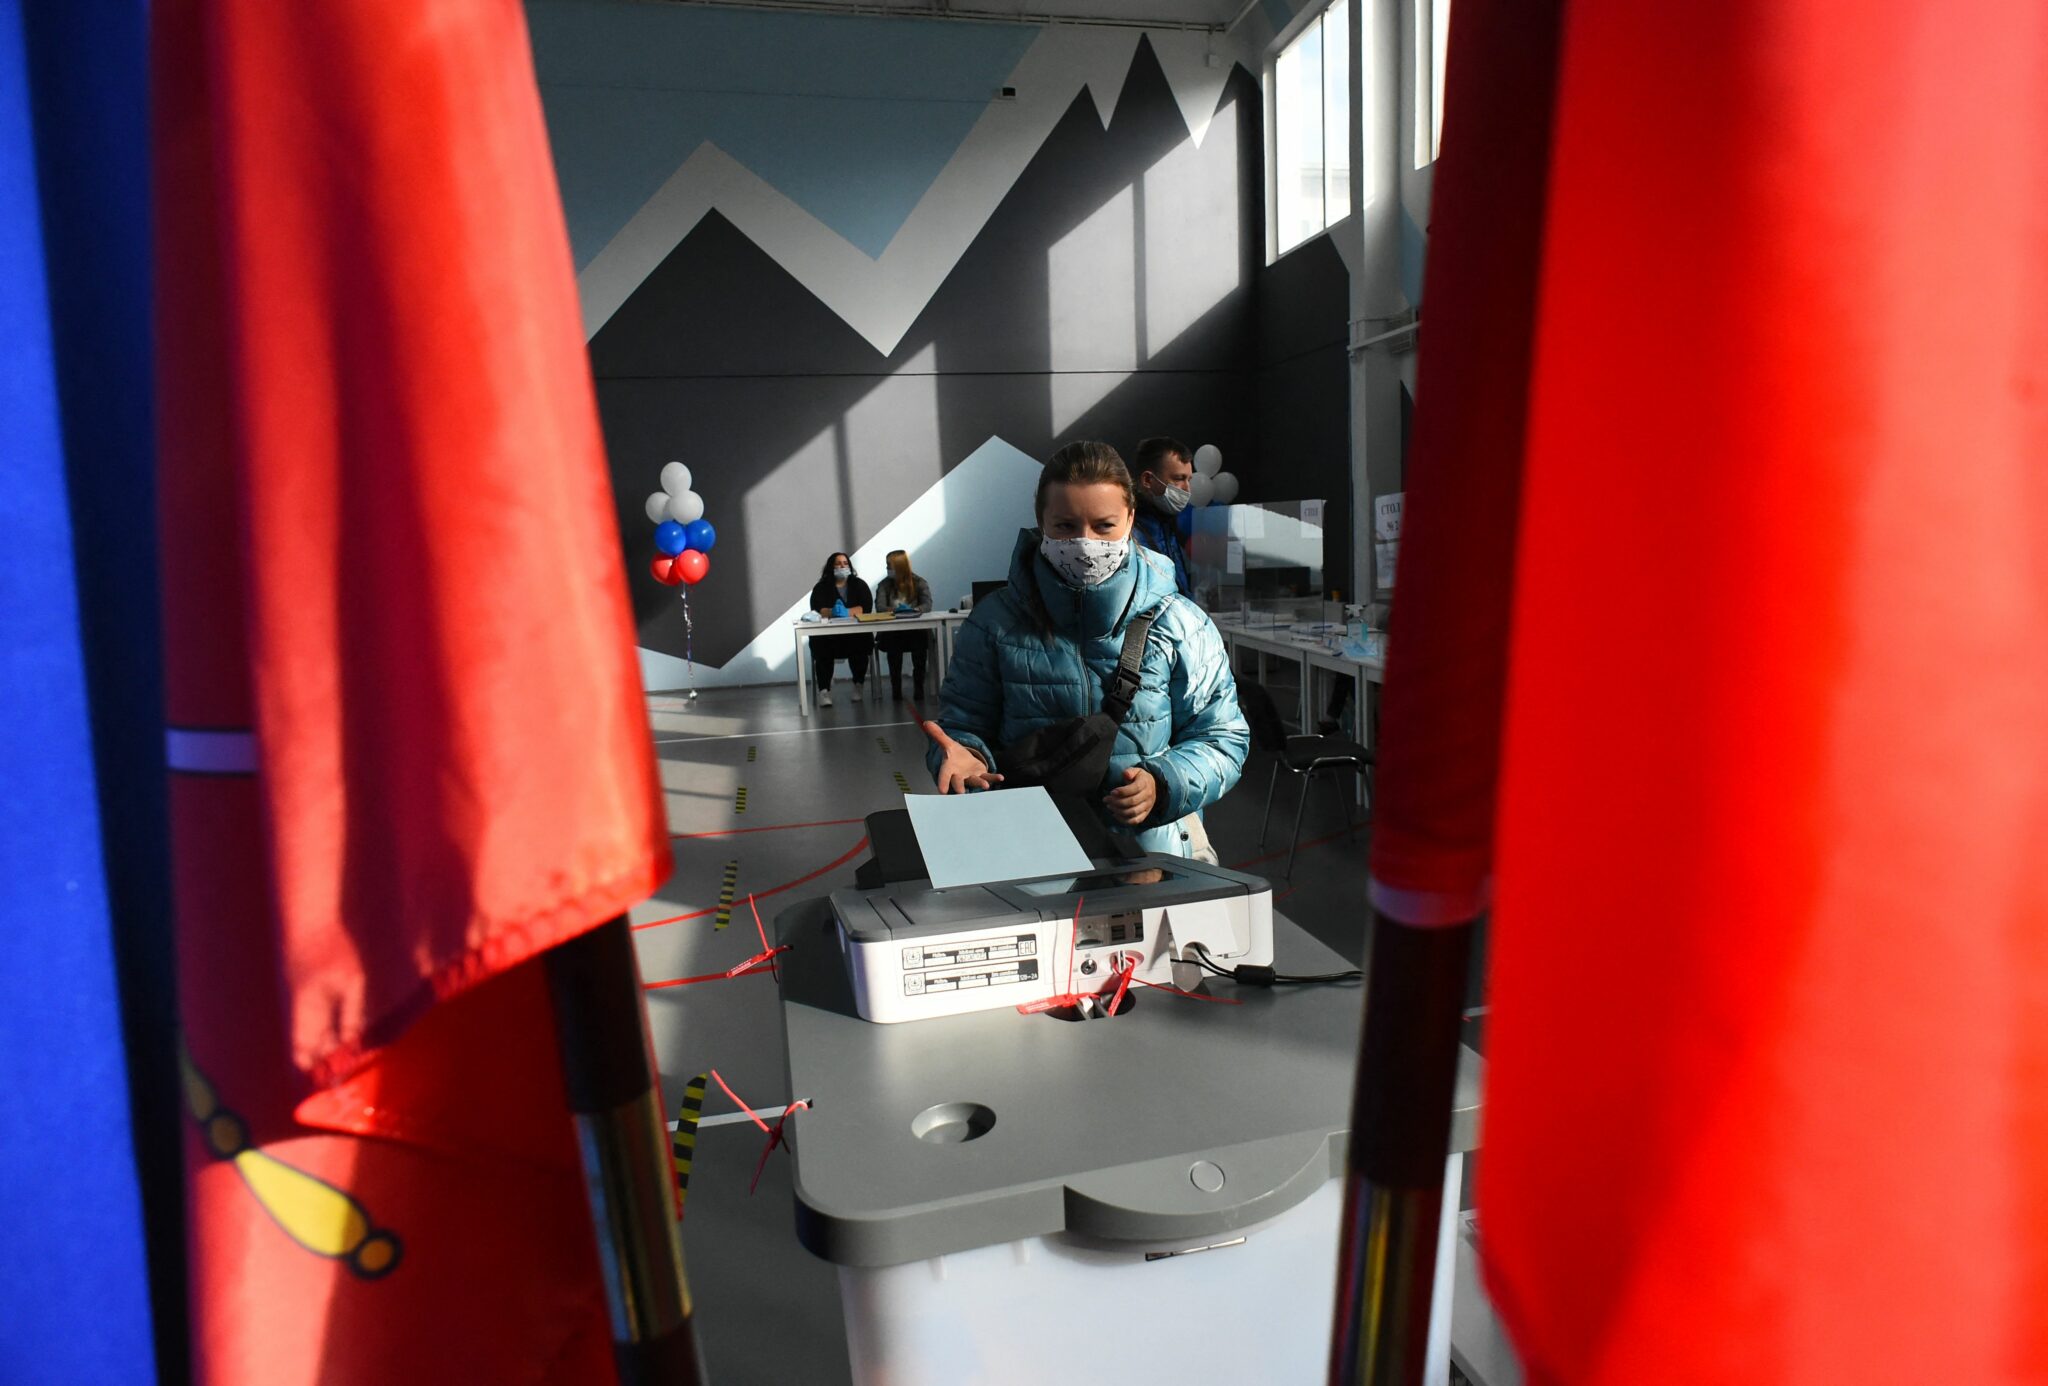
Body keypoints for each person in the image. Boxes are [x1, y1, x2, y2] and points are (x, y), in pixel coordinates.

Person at [923, 441, 1247, 859]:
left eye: (1104, 525)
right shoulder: (994, 623)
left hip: (1152, 857)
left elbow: (1222, 736)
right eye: (1065, 526)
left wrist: (1163, 782)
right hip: (1031, 852)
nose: (1085, 542)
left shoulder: (1181, 623)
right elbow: (962, 725)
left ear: (1130, 518)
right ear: (1041, 522)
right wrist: (964, 757)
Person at [1130, 435, 1196, 599]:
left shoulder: (1169, 524)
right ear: (1147, 480)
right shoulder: (1125, 531)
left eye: (1189, 479)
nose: (1187, 489)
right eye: (1178, 478)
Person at [808, 551, 873, 706]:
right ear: (831, 567)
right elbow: (818, 609)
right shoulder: (821, 587)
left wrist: (844, 612)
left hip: (854, 636)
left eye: (845, 563)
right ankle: (824, 691)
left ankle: (858, 684)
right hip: (830, 638)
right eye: (838, 563)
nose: (842, 566)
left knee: (861, 642)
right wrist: (833, 611)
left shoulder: (859, 585)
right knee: (820, 645)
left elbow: (865, 608)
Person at [872, 548, 934, 702]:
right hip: (893, 631)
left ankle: (919, 687)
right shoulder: (884, 585)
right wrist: (895, 610)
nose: (887, 569)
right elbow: (880, 607)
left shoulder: (920, 582)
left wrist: (914, 610)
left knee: (920, 647)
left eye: (889, 565)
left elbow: (927, 605)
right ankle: (896, 689)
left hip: (915, 629)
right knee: (893, 650)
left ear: (899, 566)